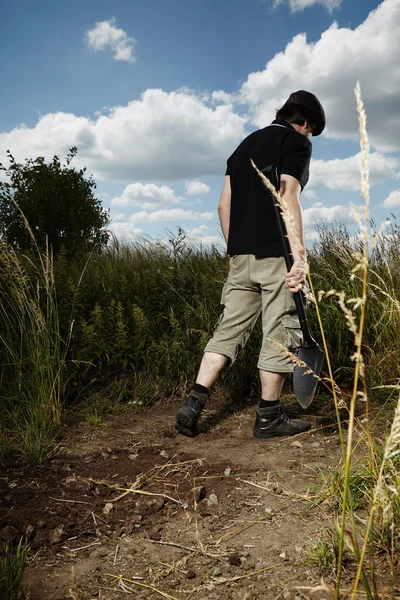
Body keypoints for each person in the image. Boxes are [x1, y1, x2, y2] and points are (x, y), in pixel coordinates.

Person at [175, 90, 325, 439]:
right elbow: (288, 195)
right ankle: (269, 417)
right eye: (310, 131)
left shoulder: (242, 147)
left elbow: (222, 208)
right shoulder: (296, 142)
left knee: (228, 331)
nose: (308, 137)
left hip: (240, 258)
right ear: (305, 123)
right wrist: (299, 258)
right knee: (281, 332)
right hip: (278, 257)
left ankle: (194, 404)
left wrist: (235, 251)